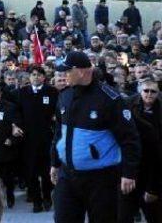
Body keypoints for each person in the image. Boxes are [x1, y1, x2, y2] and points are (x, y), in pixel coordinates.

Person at [51, 51, 141, 223]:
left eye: (68, 71)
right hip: (67, 175)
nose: (64, 75)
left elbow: (129, 138)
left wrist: (129, 173)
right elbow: (59, 133)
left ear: (82, 71)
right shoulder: (65, 95)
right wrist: (54, 163)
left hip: (101, 179)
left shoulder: (110, 99)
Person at [16, 65, 59, 212]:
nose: (36, 77)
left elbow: (57, 113)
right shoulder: (22, 93)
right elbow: (18, 113)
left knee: (46, 171)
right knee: (31, 172)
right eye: (33, 75)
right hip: (28, 139)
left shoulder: (52, 92)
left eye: (39, 75)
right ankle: (36, 201)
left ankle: (47, 198)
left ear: (44, 77)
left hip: (47, 138)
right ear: (29, 77)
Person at [119, 77, 162, 223]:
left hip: (152, 165)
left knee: (153, 212)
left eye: (153, 91)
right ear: (140, 91)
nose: (149, 94)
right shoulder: (127, 105)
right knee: (124, 214)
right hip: (130, 164)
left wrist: (154, 188)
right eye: (146, 90)